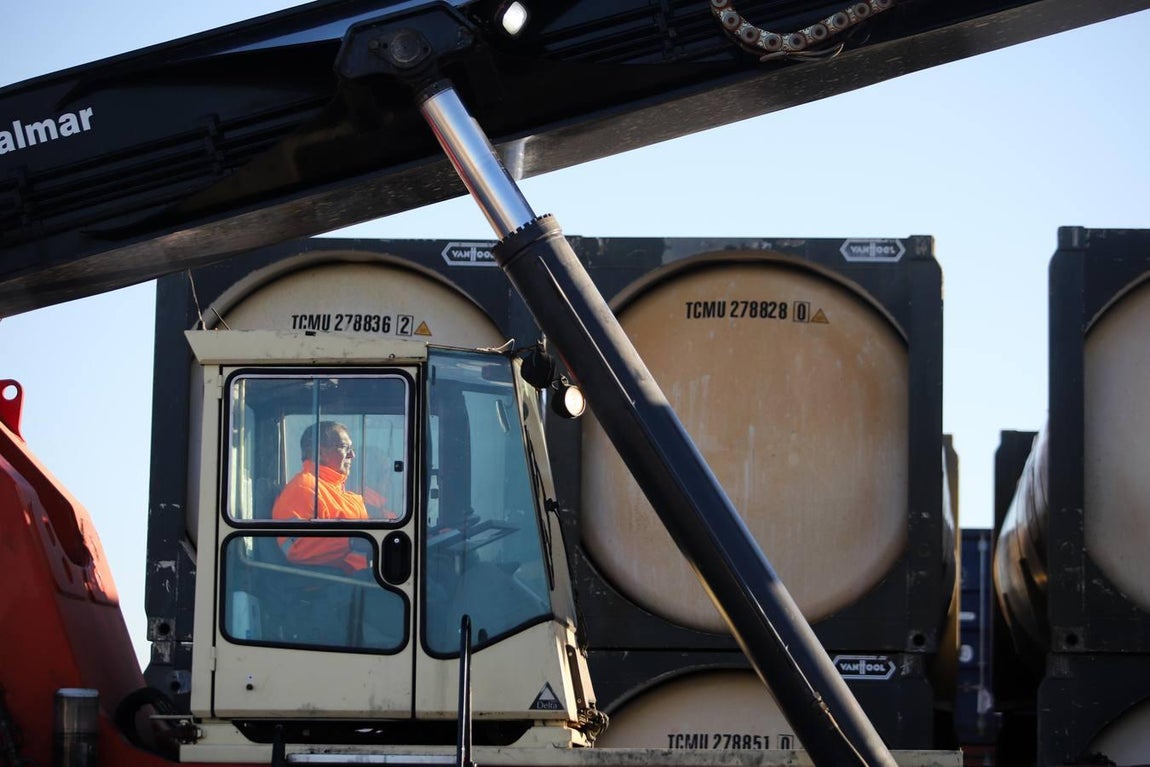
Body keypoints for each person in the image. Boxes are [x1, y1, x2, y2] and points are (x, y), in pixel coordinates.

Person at [272, 420, 371, 573]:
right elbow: (296, 548)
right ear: (320, 452)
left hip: (362, 577)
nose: (352, 454)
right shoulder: (304, 488)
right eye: (345, 447)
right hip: (331, 586)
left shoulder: (346, 496)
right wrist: (351, 541)